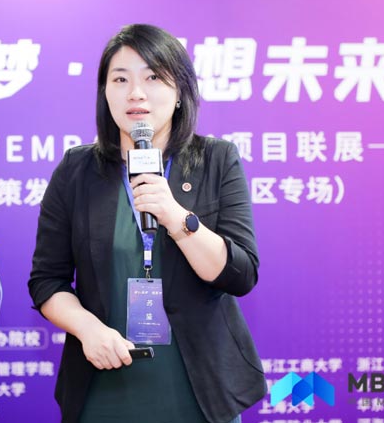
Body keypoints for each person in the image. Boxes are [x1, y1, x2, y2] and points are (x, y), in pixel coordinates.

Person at [28, 24, 266, 423]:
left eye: (153, 77)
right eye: (120, 79)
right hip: (104, 379)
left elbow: (240, 275)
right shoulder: (76, 170)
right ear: (105, 93)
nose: (136, 93)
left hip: (199, 386)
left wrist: (176, 216)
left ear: (180, 92)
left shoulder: (217, 159)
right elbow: (47, 281)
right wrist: (88, 330)